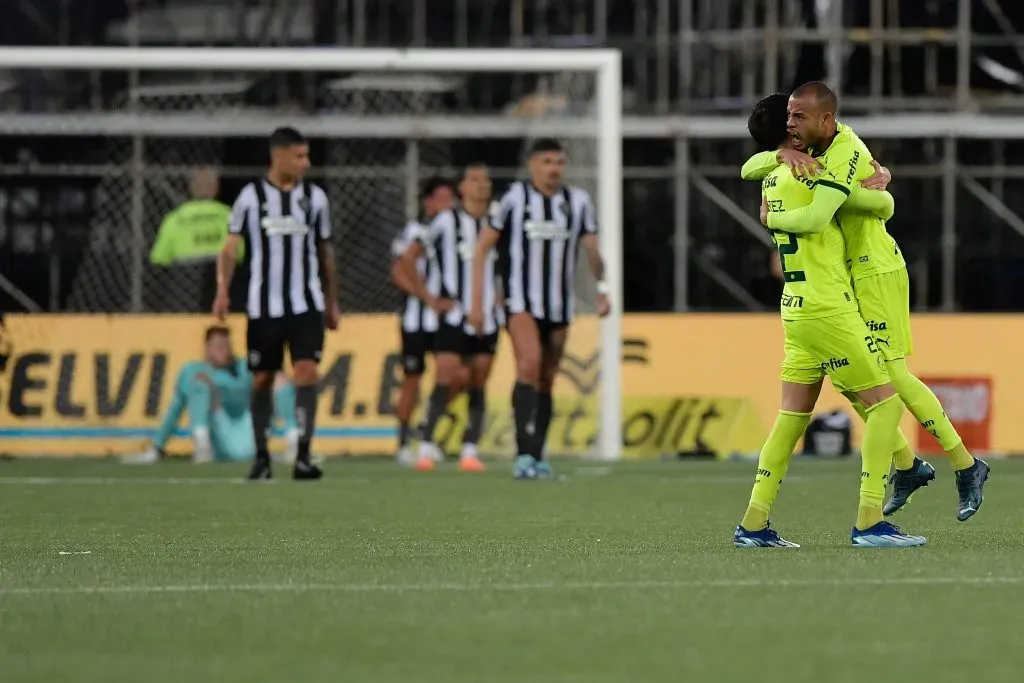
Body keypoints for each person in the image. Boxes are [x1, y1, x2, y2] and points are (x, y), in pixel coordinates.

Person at [742, 82, 990, 522]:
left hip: (875, 269)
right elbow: (751, 167)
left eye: (798, 118)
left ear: (822, 119)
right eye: (788, 122)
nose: (792, 128)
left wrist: (842, 191)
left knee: (888, 376)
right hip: (845, 280)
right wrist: (783, 157)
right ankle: (906, 466)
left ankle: (966, 465)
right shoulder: (800, 158)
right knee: (857, 383)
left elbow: (882, 206)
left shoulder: (842, 147)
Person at [733, 92, 926, 548]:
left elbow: (751, 170)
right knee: (885, 404)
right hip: (828, 307)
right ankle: (870, 521)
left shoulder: (772, 176)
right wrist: (880, 186)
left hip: (795, 308)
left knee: (791, 419)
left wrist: (777, 172)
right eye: (793, 117)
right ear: (791, 128)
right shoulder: (814, 174)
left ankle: (754, 523)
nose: (800, 123)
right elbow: (878, 208)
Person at [469, 139, 611, 479]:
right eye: (547, 161)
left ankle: (537, 454)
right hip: (520, 301)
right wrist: (478, 302)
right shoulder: (512, 199)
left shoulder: (577, 202)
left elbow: (592, 249)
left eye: (559, 162)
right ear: (533, 165)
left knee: (547, 378)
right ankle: (522, 455)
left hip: (559, 304)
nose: (554, 168)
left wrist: (602, 288)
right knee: (529, 364)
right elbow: (481, 249)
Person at [213, 127, 340, 481]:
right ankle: (262, 457)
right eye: (299, 156)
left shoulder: (315, 199)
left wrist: (332, 301)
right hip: (263, 306)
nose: (306, 163)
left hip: (306, 305)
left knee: (306, 372)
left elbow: (325, 253)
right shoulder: (250, 197)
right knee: (263, 378)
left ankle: (302, 455)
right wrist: (222, 290)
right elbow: (229, 248)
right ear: (278, 156)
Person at [399, 164, 502, 473]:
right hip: (455, 316)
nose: (481, 185)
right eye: (474, 180)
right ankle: (426, 445)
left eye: (485, 179)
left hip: (488, 318)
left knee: (478, 381)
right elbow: (408, 257)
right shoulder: (446, 222)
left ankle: (470, 449)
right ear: (462, 188)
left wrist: (501, 296)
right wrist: (430, 298)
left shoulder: (498, 223)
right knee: (445, 376)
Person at [123, 326, 299, 464]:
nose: (225, 351)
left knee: (278, 378)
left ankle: (294, 443)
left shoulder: (244, 367)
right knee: (200, 382)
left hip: (251, 431)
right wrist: (159, 445)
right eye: (219, 347)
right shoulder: (193, 370)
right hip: (219, 437)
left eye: (227, 346)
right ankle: (201, 445)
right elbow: (175, 409)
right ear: (207, 349)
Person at [389, 177, 457, 465]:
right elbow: (398, 270)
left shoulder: (458, 230)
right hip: (417, 320)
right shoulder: (415, 231)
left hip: (447, 319)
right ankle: (404, 441)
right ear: (427, 202)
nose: (446, 204)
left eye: (449, 198)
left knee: (455, 376)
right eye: (440, 198)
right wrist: (427, 297)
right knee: (413, 379)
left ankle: (425, 431)